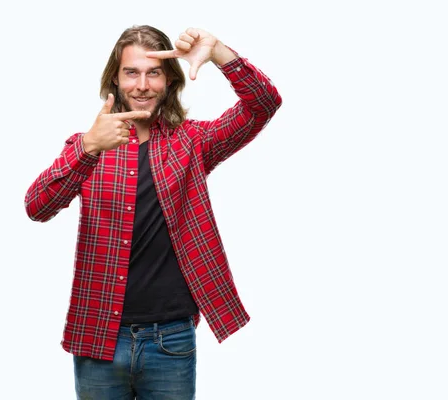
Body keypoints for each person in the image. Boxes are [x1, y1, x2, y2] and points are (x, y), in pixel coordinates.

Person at [24, 24, 282, 399]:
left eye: (153, 73)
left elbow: (263, 105)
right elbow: (37, 207)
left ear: (169, 81)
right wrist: (88, 148)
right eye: (132, 72)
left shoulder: (193, 142)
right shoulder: (89, 147)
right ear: (116, 79)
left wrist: (220, 54)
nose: (142, 85)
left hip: (171, 341)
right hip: (98, 339)